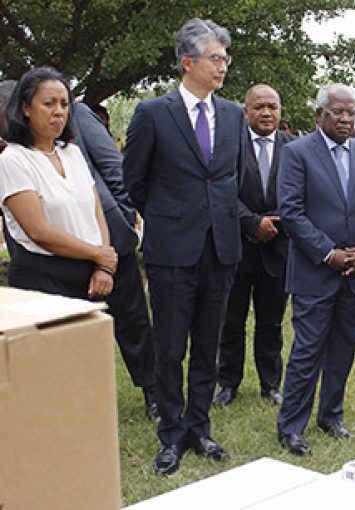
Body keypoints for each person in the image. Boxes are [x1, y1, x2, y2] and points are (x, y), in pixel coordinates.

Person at [123, 18, 248, 476]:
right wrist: (170, 219)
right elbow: (132, 183)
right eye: (216, 58)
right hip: (172, 251)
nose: (223, 67)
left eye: (225, 59)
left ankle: (200, 427)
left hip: (221, 249)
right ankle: (171, 433)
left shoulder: (233, 114)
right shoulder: (153, 113)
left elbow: (232, 177)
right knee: (171, 346)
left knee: (208, 345)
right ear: (188, 62)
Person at [276, 83, 355, 456]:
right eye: (337, 112)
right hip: (314, 272)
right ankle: (292, 427)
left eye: (351, 113)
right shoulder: (296, 153)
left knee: (343, 348)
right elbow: (291, 212)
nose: (345, 119)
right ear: (318, 115)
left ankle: (331, 416)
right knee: (307, 351)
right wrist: (329, 254)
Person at [72, 101, 158, 421]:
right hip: (61, 254)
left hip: (110, 238)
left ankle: (153, 391)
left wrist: (122, 220)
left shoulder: (78, 116)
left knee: (133, 320)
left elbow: (114, 169)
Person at [0, 67, 116, 302]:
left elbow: (96, 213)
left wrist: (104, 267)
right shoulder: (13, 159)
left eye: (64, 105)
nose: (58, 112)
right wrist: (99, 255)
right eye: (49, 104)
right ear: (25, 108)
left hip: (91, 277)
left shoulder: (72, 153)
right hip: (42, 278)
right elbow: (38, 231)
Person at [213, 84, 294, 408]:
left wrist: (274, 225)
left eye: (272, 107)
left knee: (271, 323)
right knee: (230, 322)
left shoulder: (294, 148)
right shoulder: (228, 147)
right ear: (245, 111)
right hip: (235, 248)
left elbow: (302, 196)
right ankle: (228, 383)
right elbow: (221, 192)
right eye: (258, 106)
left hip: (278, 249)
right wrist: (251, 223)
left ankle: (271, 384)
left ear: (279, 111)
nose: (266, 113)